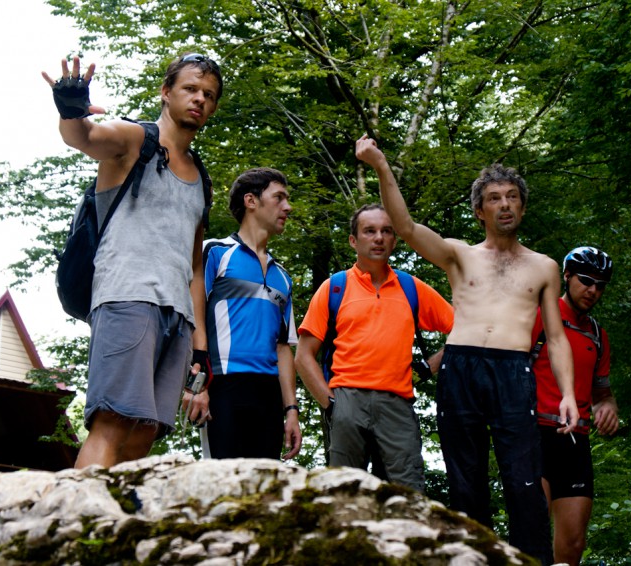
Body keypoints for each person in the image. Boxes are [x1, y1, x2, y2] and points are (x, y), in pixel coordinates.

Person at [355, 136, 579, 565]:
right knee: (466, 481)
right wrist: (381, 165)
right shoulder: (459, 255)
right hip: (461, 368)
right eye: (494, 198)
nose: (504, 204)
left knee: (524, 479)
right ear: (480, 211)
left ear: (523, 207)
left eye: (512, 197)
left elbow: (555, 338)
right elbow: (406, 227)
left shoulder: (545, 267)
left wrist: (568, 394)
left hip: (514, 372)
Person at [42, 52, 222, 468]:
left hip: (178, 318)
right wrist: (71, 107)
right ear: (166, 92)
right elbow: (84, 137)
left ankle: (117, 507)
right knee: (112, 420)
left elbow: (195, 267)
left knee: (145, 431)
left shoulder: (201, 178)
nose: (199, 99)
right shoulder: (134, 140)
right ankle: (79, 508)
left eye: (208, 94)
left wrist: (201, 348)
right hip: (127, 298)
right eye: (190, 89)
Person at [294, 203, 454, 492]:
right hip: (346, 400)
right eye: (369, 231)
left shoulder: (410, 288)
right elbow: (303, 356)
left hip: (397, 403)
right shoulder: (335, 288)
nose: (379, 238)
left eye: (386, 231)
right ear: (353, 241)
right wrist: (331, 404)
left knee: (408, 494)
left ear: (394, 240)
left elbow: (462, 328)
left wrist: (427, 367)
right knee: (345, 493)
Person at [184, 168, 302, 460]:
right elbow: (191, 318)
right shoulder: (214, 253)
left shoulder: (283, 276)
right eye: (279, 198)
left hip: (269, 394)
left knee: (265, 483)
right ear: (251, 201)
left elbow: (283, 347)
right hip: (222, 385)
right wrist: (195, 386)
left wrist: (291, 411)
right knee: (224, 481)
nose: (288, 207)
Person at [531, 246, 619, 565]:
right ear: (567, 276)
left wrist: (607, 408)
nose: (593, 290)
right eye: (586, 280)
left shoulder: (597, 335)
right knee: (534, 531)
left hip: (575, 441)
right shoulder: (539, 315)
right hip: (535, 434)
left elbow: (602, 393)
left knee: (573, 544)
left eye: (601, 285)